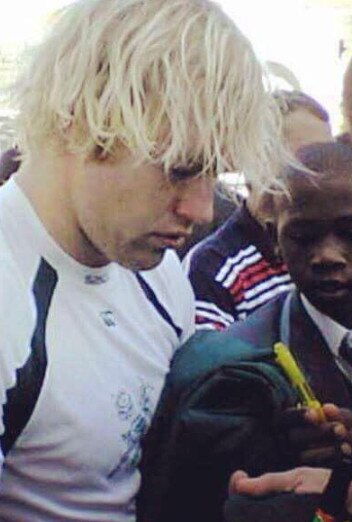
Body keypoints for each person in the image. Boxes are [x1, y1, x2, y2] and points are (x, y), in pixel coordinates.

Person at [0, 0, 286, 520]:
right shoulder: (8, 288)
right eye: (180, 168)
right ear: (80, 119)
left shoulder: (159, 275)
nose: (202, 210)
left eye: (215, 175)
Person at [139, 140, 352, 522]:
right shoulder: (236, 366)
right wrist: (269, 450)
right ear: (273, 239)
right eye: (303, 237)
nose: (327, 255)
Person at [184, 89, 332, 331]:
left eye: (331, 156)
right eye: (309, 159)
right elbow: (209, 363)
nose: (329, 172)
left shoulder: (342, 247)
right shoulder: (213, 267)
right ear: (258, 157)